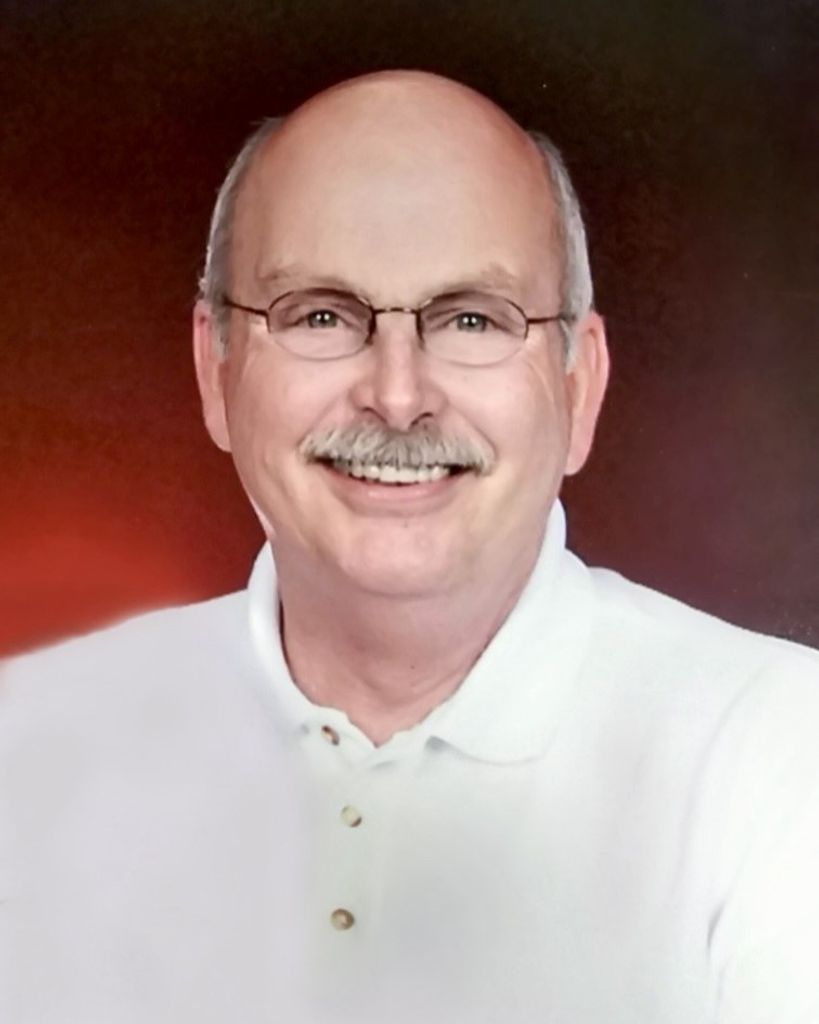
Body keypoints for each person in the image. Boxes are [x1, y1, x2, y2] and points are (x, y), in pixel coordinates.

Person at [1, 70, 817, 1024]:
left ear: (578, 387)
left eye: (472, 319)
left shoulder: (776, 753)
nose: (396, 395)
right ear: (215, 370)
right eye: (320, 315)